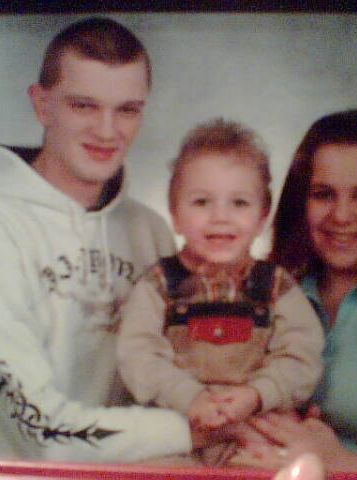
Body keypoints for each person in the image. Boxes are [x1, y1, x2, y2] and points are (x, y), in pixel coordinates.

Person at [0, 16, 211, 464]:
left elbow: (185, 374)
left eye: (127, 110)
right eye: (84, 106)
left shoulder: (150, 232)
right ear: (42, 105)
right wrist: (195, 429)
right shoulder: (6, 224)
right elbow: (39, 434)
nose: (106, 130)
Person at [117, 118, 324, 466]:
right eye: (201, 202)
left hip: (253, 429)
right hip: (178, 430)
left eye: (239, 203)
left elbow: (301, 357)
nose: (220, 217)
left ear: (262, 218)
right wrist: (189, 397)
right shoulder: (158, 286)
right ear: (175, 215)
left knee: (288, 466)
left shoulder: (276, 287)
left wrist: (257, 394)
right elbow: (139, 357)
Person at [237, 109, 357, 472]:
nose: (341, 216)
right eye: (323, 194)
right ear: (300, 203)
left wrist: (344, 464)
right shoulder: (262, 294)